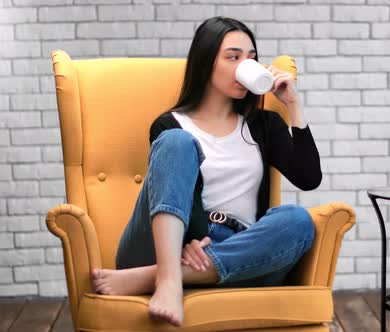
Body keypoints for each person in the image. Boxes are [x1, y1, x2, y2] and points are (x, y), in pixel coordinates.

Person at [89, 16, 322, 327]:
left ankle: (154, 277)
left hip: (242, 249)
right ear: (205, 61)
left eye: (252, 58)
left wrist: (292, 103)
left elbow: (309, 178)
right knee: (175, 143)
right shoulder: (169, 125)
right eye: (233, 57)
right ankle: (170, 279)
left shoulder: (263, 125)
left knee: (297, 220)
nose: (246, 65)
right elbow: (175, 188)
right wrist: (195, 236)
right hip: (173, 242)